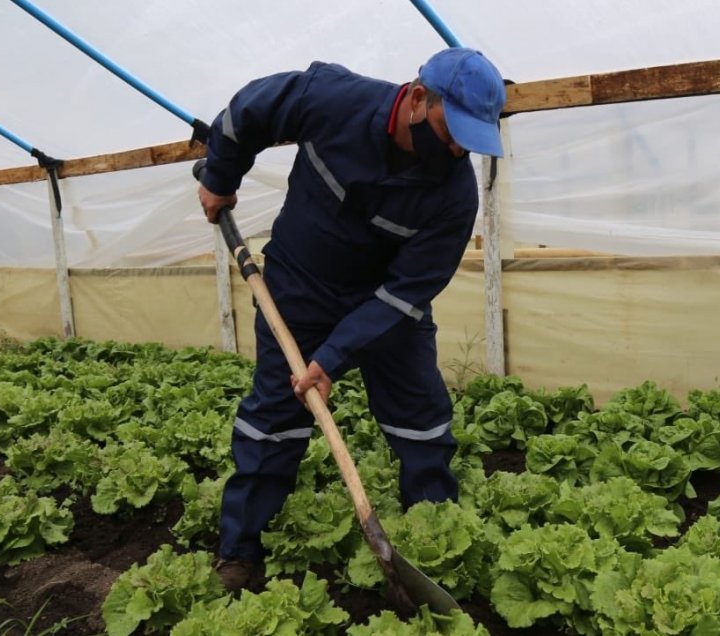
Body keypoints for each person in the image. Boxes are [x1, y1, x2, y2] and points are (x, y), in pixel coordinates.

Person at [196, 47, 507, 593]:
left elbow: (410, 289)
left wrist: (333, 358)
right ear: (415, 99)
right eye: (450, 130)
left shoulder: (455, 197)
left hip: (386, 306)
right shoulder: (331, 99)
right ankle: (239, 548)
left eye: (470, 141)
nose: (457, 149)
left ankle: (435, 533)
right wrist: (220, 177)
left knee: (422, 420)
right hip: (298, 287)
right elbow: (248, 114)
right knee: (273, 415)